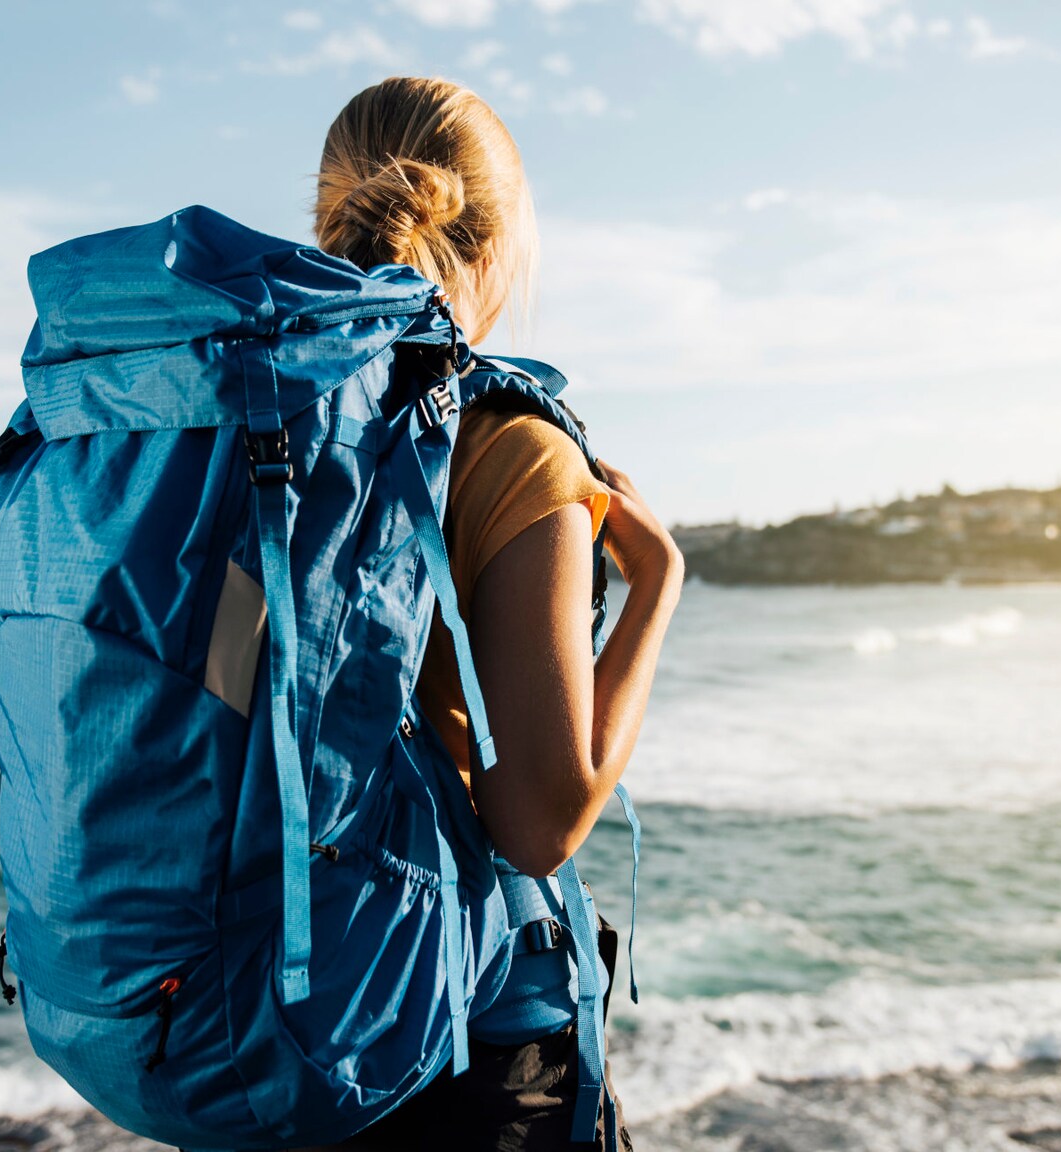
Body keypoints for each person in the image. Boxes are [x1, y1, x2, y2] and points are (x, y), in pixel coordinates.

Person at [306, 77, 684, 1150]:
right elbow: (536, 824)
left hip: (266, 1015)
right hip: (449, 1038)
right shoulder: (508, 445)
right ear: (504, 236)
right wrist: (654, 590)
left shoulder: (263, 432)